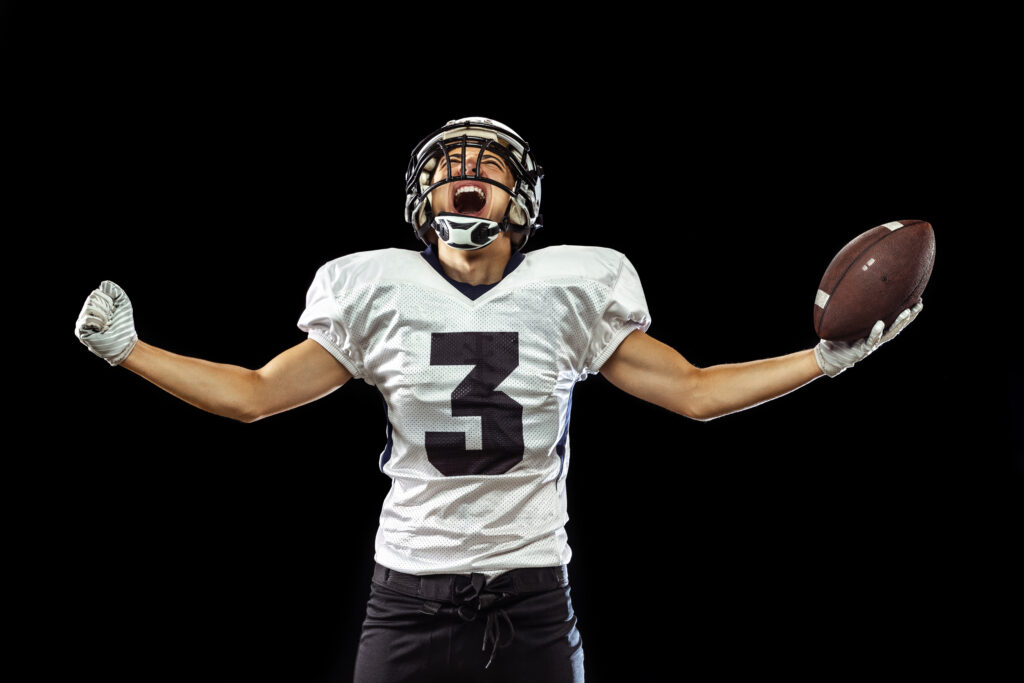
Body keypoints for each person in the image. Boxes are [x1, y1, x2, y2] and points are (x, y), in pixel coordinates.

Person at [75, 117, 922, 683]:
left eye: (487, 166)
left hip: (532, 597)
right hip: (406, 593)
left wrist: (822, 359)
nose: (466, 175)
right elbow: (257, 395)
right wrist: (130, 350)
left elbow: (694, 393)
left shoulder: (573, 284)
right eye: (450, 169)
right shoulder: (373, 287)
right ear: (424, 198)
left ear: (524, 199)